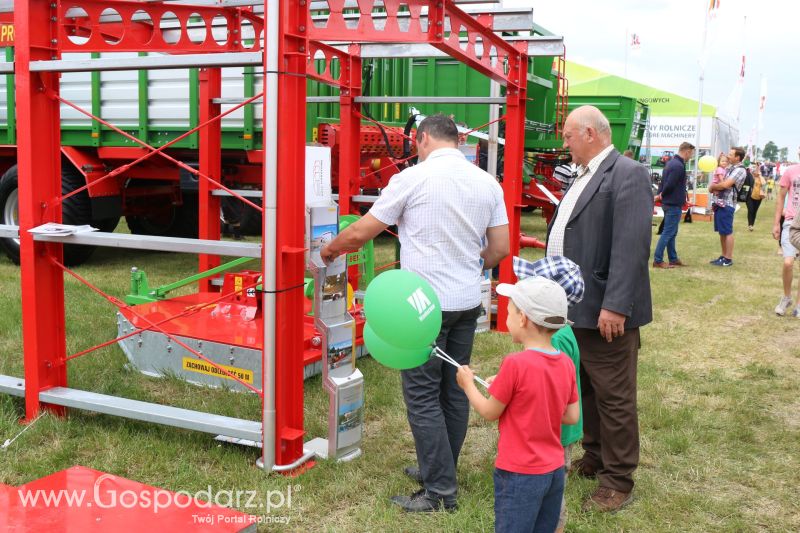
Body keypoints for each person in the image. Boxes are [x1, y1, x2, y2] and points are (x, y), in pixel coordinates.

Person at [320, 113, 510, 512]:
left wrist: (327, 251)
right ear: (457, 140)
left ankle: (440, 492)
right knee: (455, 391)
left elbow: (361, 232)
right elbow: (500, 249)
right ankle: (439, 469)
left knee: (422, 396)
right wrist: (470, 265)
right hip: (465, 301)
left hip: (422, 309)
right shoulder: (487, 182)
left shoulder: (413, 178)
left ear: (422, 139)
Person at [545, 105, 653, 513]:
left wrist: (616, 306)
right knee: (586, 387)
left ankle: (618, 479)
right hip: (578, 308)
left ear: (590, 133)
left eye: (569, 135)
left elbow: (630, 245)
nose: (565, 143)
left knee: (614, 395)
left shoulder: (627, 173)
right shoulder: (585, 174)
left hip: (605, 310)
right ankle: (595, 456)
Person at [456, 276, 579, 533]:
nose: (507, 317)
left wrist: (468, 384)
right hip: (554, 469)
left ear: (523, 319)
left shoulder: (515, 364)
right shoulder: (565, 362)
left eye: (509, 312)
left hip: (519, 473)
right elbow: (571, 416)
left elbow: (490, 412)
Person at [511, 255, 585, 533]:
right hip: (552, 431)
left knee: (551, 497)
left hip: (553, 434)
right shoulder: (555, 335)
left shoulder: (556, 341)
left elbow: (551, 392)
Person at [653, 142, 695, 268]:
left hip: (669, 203)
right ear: (687, 151)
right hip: (673, 203)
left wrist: (660, 194)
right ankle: (658, 260)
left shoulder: (671, 163)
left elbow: (663, 182)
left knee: (672, 232)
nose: (691, 156)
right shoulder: (678, 165)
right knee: (668, 232)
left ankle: (673, 258)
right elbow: (670, 184)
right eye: (691, 153)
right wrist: (661, 195)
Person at [708, 147, 747, 266]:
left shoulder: (740, 170)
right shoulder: (731, 168)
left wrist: (712, 187)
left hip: (727, 203)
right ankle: (723, 256)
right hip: (721, 202)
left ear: (737, 157)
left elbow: (725, 184)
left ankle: (728, 258)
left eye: (731, 154)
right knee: (722, 231)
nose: (728, 156)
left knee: (727, 231)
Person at [772, 162, 800, 317]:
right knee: (788, 262)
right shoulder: (791, 171)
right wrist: (776, 223)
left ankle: (799, 305)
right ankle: (787, 297)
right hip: (791, 222)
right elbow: (781, 197)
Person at [746, 165, 766, 230]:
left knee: (755, 211)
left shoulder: (761, 178)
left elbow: (764, 183)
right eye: (755, 171)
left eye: (757, 171)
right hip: (750, 196)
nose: (756, 172)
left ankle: (752, 224)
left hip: (758, 197)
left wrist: (760, 176)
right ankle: (750, 225)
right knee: (750, 210)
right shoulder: (750, 177)